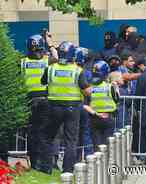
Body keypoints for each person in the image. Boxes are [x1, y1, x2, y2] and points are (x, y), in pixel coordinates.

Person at [39, 41, 91, 174]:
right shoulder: (77, 71)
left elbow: (43, 81)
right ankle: (67, 170)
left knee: (47, 137)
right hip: (72, 109)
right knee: (70, 141)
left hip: (53, 107)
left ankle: (46, 168)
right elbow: (87, 91)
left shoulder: (50, 68)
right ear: (73, 55)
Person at [21, 34, 50, 169]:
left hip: (29, 101)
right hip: (45, 100)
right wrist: (50, 42)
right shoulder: (47, 60)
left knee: (32, 133)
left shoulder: (22, 62)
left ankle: (35, 164)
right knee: (44, 132)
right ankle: (46, 164)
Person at [83, 60, 119, 151]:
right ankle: (106, 164)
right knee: (107, 146)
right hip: (108, 118)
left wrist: (95, 113)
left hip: (94, 118)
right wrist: (116, 88)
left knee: (96, 146)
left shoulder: (89, 87)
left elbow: (85, 104)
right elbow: (117, 100)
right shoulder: (110, 86)